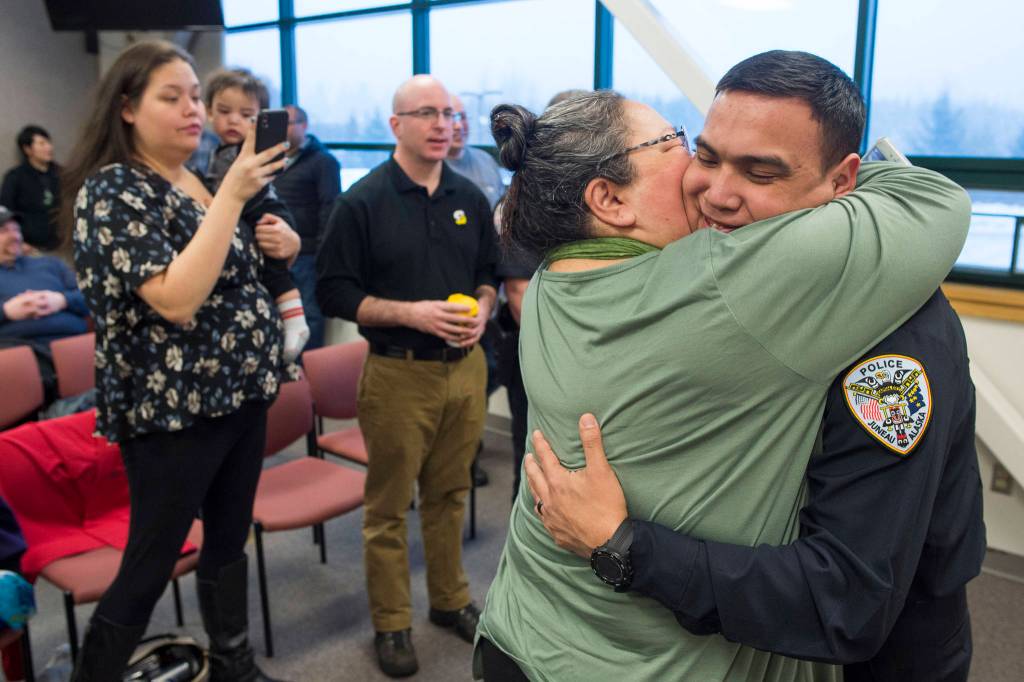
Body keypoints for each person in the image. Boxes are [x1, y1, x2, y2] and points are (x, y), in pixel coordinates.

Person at [474, 53, 971, 682]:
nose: (714, 191)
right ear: (607, 199)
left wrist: (624, 543)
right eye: (697, 152)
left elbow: (850, 590)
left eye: (760, 170)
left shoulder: (553, 278)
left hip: (522, 628)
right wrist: (624, 547)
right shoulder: (725, 280)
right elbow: (933, 199)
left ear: (843, 182)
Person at [62, 40, 296, 681]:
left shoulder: (200, 179)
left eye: (196, 95)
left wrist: (280, 239)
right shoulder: (112, 191)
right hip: (173, 411)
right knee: (152, 559)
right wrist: (232, 199)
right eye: (173, 97)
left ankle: (233, 664)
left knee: (227, 539)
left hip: (242, 394)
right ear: (128, 108)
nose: (193, 109)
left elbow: (244, 275)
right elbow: (177, 298)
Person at [317, 74, 497, 678]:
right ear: (397, 125)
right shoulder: (361, 203)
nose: (444, 123)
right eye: (428, 113)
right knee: (388, 508)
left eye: (450, 112)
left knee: (450, 496)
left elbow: (489, 275)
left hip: (465, 370)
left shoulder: (469, 198)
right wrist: (411, 313)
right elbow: (335, 291)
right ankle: (391, 622)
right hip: (398, 374)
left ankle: (449, 601)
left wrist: (485, 312)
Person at [202, 68, 309, 362]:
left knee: (272, 257)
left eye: (247, 114)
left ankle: (295, 316)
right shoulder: (212, 152)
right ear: (209, 112)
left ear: (259, 119)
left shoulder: (250, 150)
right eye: (224, 111)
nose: (234, 120)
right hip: (242, 210)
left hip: (261, 206)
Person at [274, 104, 340, 353]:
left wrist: (323, 250)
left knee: (309, 315)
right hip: (277, 254)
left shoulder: (322, 161)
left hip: (309, 254)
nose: (283, 130)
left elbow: (330, 207)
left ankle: (306, 375)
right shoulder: (274, 161)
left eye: (288, 123)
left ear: (304, 126)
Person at [1, 206, 88, 345]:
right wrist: (6, 311)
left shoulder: (50, 264)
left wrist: (62, 300)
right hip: (19, 347)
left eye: (16, 229)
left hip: (75, 340)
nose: (15, 236)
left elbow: (90, 298)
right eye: (5, 231)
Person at [1, 126, 61, 250]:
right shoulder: (15, 177)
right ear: (27, 149)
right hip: (29, 247)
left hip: (61, 243)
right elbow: (6, 211)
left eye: (49, 142)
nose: (49, 147)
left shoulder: (61, 174)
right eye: (42, 143)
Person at [447, 95, 505, 210]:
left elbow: (501, 208)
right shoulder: (432, 168)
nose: (458, 126)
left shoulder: (486, 160)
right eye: (451, 118)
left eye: (462, 117)